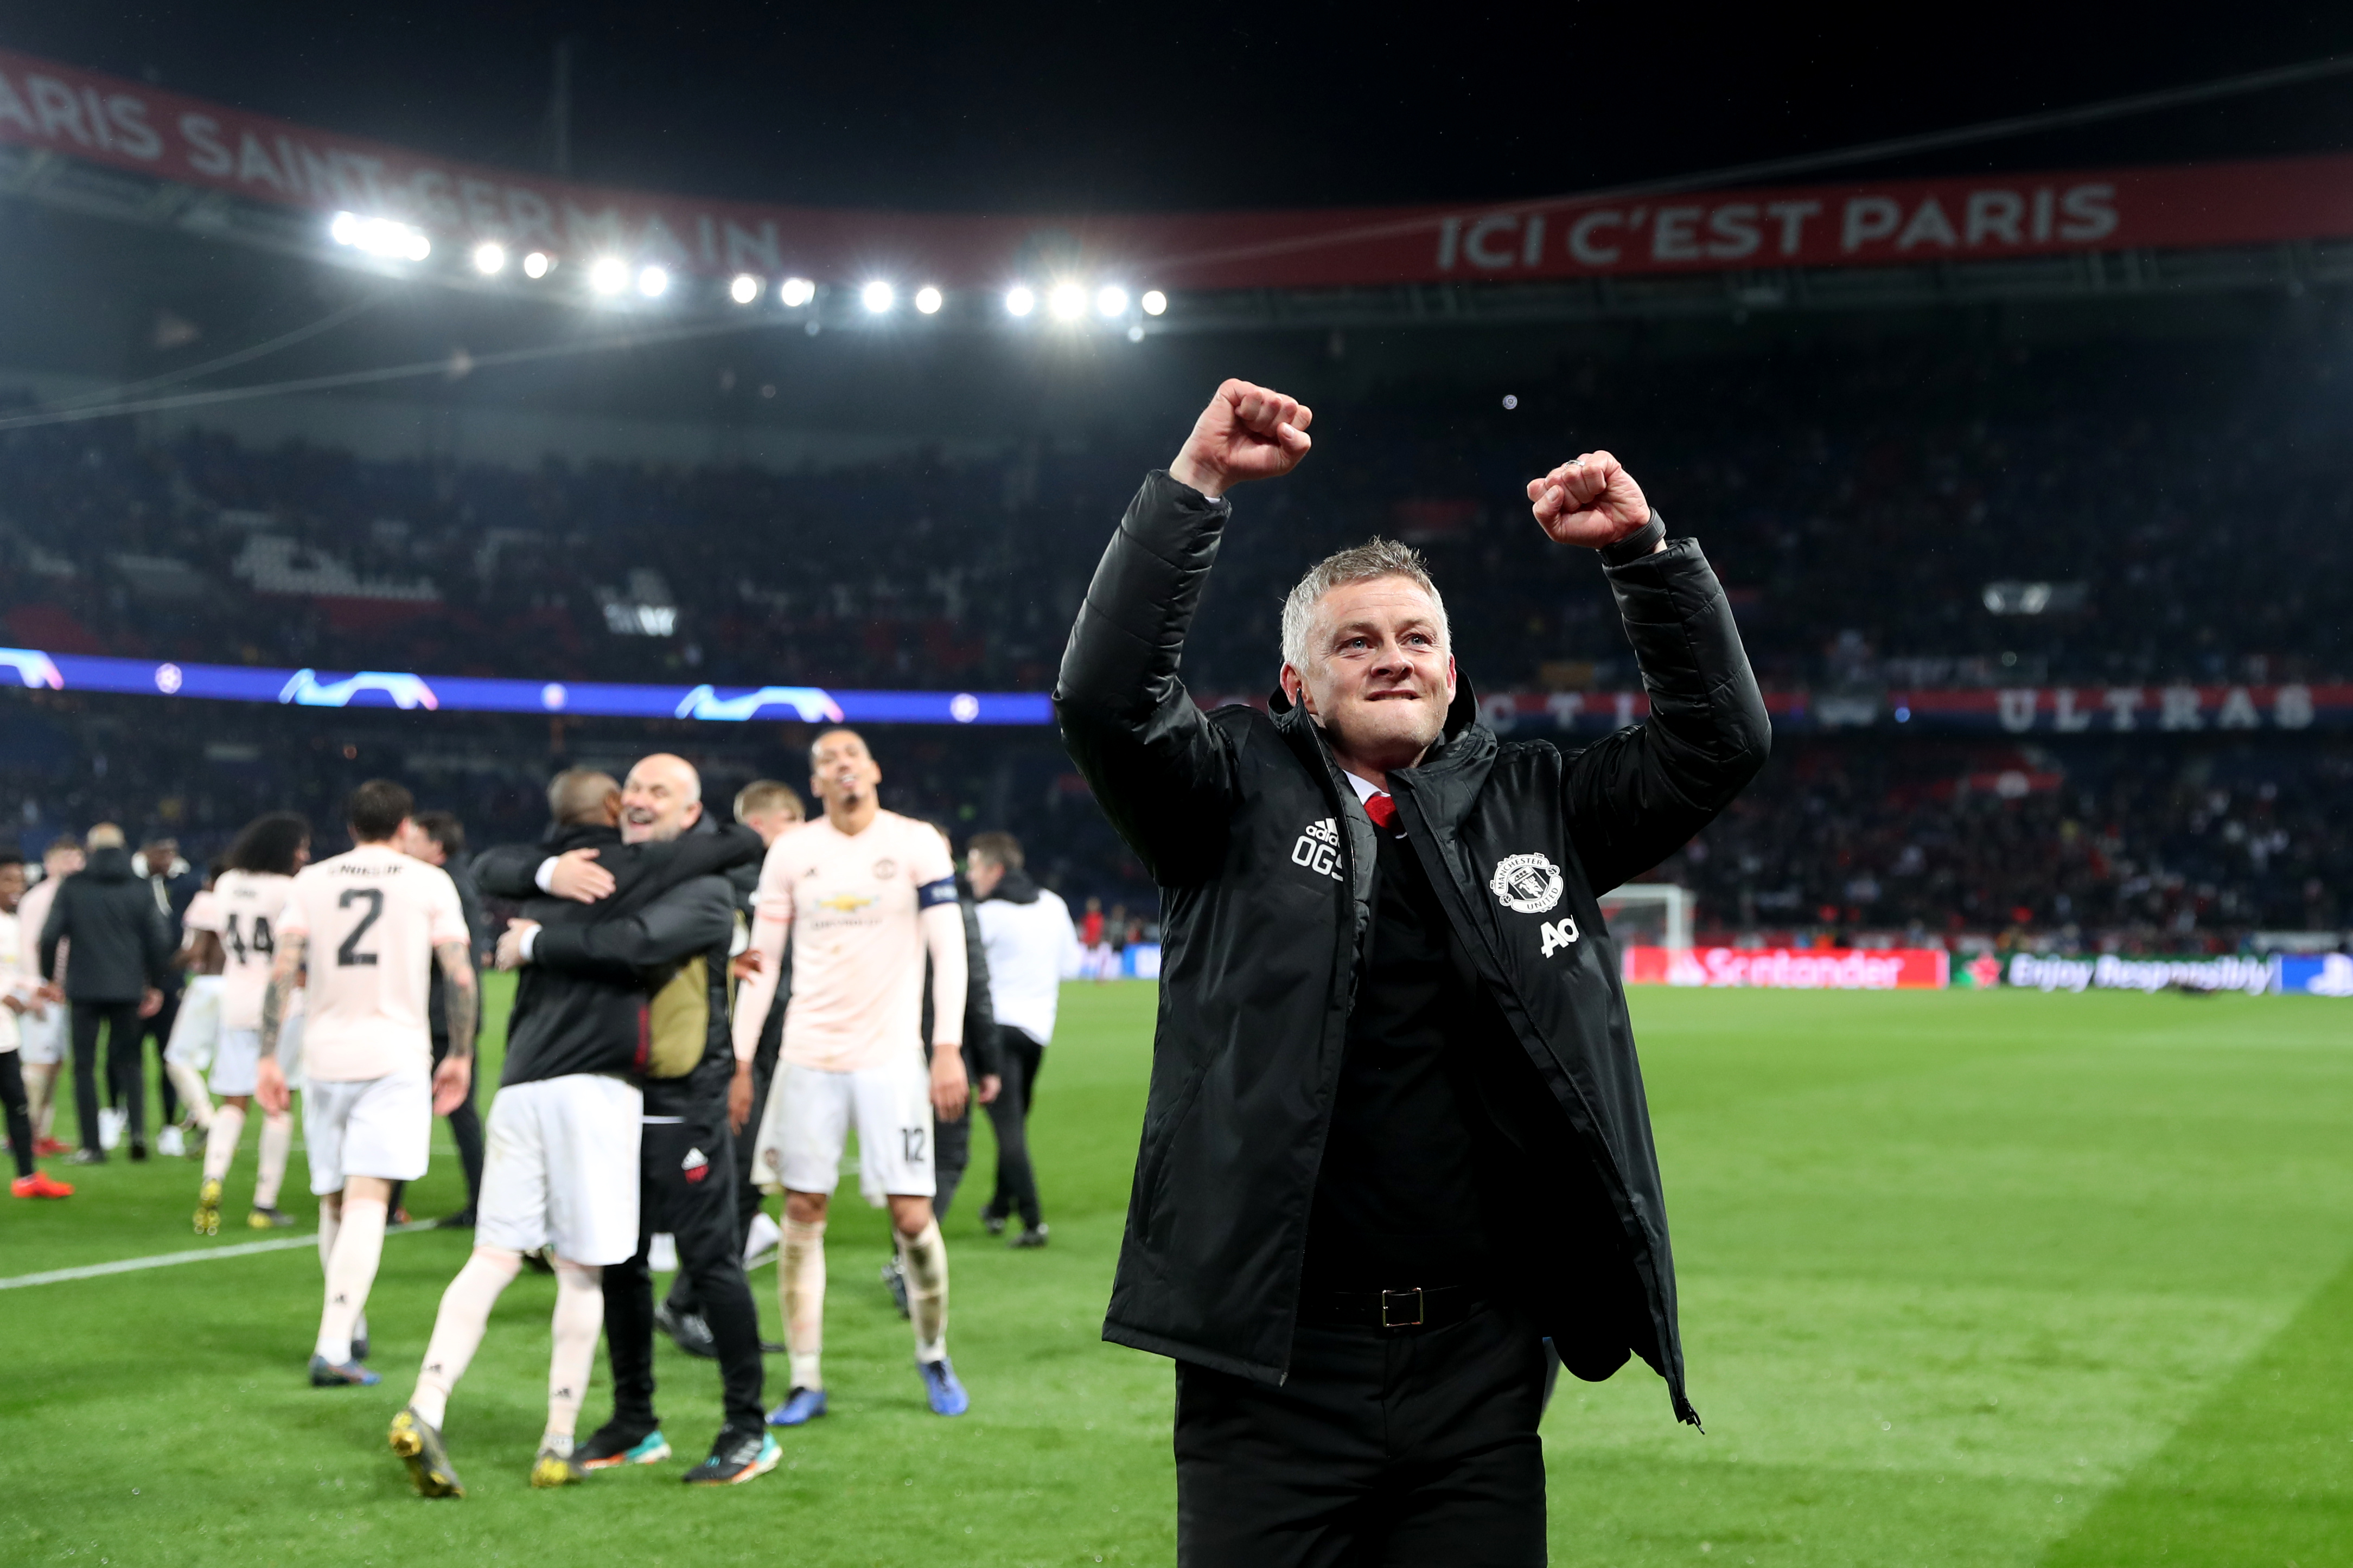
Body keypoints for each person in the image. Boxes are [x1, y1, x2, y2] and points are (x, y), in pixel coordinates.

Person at [1055, 379, 1770, 1563]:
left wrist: (1644, 557)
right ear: (1296, 683)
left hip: (1478, 1366)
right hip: (1268, 1364)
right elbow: (1103, 697)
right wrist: (1196, 487)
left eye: (1415, 636)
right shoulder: (1220, 794)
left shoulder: (1538, 803)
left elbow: (1719, 739)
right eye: (1354, 639)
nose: (1391, 657)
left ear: (1451, 670)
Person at [430, 760, 771, 1493]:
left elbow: (638, 943)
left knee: (710, 1261)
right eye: (635, 788)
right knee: (617, 1259)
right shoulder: (603, 871)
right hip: (608, 1095)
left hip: (684, 1098)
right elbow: (497, 865)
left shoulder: (707, 891)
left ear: (690, 812)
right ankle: (633, 1419)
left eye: (660, 792)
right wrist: (551, 871)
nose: (640, 800)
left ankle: (748, 1426)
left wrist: (534, 944)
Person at [736, 727, 973, 1425]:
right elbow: (761, 961)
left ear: (872, 768)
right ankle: (805, 1376)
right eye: (825, 761)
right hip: (807, 1056)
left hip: (890, 1057)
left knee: (911, 1214)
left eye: (850, 756)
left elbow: (948, 950)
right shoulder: (792, 851)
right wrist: (744, 1058)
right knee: (802, 1212)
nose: (840, 767)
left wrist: (947, 1045)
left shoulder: (915, 842)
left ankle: (932, 1351)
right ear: (815, 783)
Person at [257, 780, 477, 1390]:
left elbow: (283, 970)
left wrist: (268, 1057)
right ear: (404, 824)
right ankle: (333, 1343)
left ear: (350, 824)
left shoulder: (312, 880)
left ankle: (347, 1324)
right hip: (394, 1053)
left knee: (335, 1196)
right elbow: (459, 975)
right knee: (368, 1198)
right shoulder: (428, 880)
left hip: (324, 1053)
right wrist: (460, 1051)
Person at [656, 778, 804, 1359]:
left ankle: (697, 1302)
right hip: (735, 1058)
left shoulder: (748, 885)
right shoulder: (744, 887)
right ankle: (685, 1302)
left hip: (764, 1052)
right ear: (774, 823)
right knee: (737, 1183)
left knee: (750, 1183)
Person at [185, 813, 311, 1234]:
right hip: (282, 1001)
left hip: (235, 997)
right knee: (277, 1101)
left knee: (232, 1101)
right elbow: (297, 949)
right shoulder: (289, 889)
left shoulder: (227, 883)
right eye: (300, 847)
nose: (304, 855)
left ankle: (213, 1179)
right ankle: (264, 1201)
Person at [967, 831, 1081, 1247]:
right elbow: (1071, 964)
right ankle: (999, 1205)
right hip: (1036, 1031)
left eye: (975, 865)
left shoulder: (987, 912)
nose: (970, 874)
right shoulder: (1053, 904)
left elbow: (967, 969)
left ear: (996, 870)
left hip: (995, 1028)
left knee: (1008, 1128)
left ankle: (1033, 1221)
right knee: (1014, 1120)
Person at [39, 824, 171, 1164]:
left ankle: (92, 1146)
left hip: (83, 987)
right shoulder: (140, 889)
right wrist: (154, 983)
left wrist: (49, 977)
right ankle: (138, 1135)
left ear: (91, 848)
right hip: (128, 988)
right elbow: (159, 939)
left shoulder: (73, 887)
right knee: (131, 1062)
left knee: (84, 1066)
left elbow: (50, 935)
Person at [387, 810, 490, 1227]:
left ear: (436, 846)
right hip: (445, 1014)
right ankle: (478, 1202)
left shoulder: (441, 885)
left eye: (415, 838)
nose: (407, 844)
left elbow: (448, 960)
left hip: (437, 1015)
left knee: (417, 1107)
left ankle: (390, 1200)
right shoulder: (453, 881)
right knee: (449, 1111)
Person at [3, 852, 73, 1198]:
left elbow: (11, 974)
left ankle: (27, 1178)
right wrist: (10, 996)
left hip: (3, 1032)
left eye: (19, 880)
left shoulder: (11, 924)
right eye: (7, 881)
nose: (15, 888)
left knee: (17, 1100)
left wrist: (36, 987)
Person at [134, 837, 203, 1152]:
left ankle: (169, 1126)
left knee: (169, 1056)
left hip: (170, 982)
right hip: (135, 983)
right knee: (125, 1057)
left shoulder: (185, 885)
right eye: (162, 852)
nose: (169, 859)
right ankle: (121, 1116)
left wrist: (167, 980)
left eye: (172, 853)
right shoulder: (132, 886)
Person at [13, 837, 80, 1155]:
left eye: (78, 858)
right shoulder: (40, 898)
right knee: (37, 1064)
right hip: (44, 990)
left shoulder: (73, 896)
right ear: (49, 862)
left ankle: (41, 1131)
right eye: (66, 858)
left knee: (54, 1063)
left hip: (64, 991)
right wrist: (35, 985)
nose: (73, 864)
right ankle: (23, 1134)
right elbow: (28, 943)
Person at [160, 865, 225, 1157]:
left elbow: (196, 951)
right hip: (242, 986)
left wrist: (159, 968)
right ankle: (209, 1118)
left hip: (211, 986)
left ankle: (206, 1118)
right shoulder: (249, 902)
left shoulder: (208, 902)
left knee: (177, 1059)